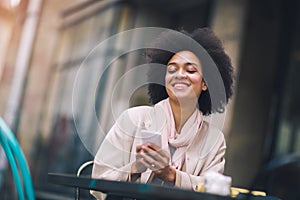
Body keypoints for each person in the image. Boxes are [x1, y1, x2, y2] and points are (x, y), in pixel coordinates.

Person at [91, 27, 234, 199]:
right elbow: (98, 181)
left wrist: (172, 176)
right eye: (172, 69)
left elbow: (214, 193)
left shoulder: (214, 139)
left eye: (190, 70)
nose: (180, 75)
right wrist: (135, 168)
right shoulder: (133, 119)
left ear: (205, 83)